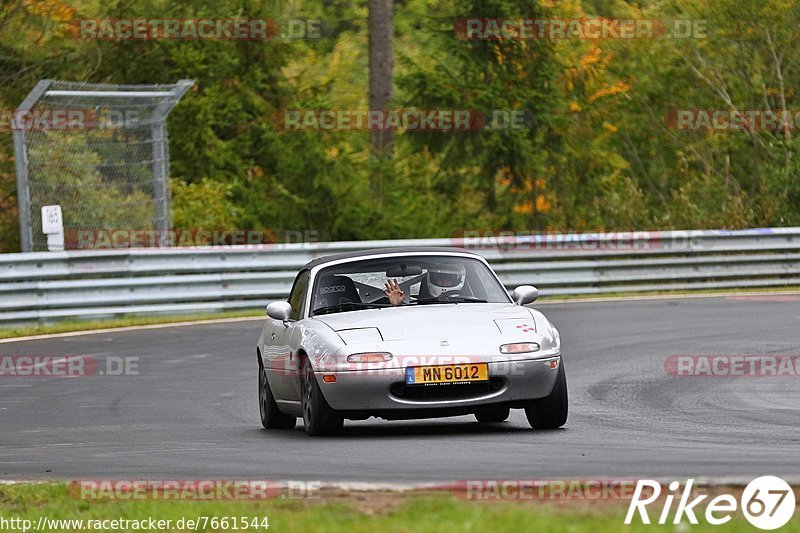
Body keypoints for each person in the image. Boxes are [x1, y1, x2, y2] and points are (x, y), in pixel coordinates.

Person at [383, 264, 466, 305]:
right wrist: (397, 305)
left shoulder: (468, 305)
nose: (444, 282)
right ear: (431, 279)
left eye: (449, 279)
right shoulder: (414, 307)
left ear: (458, 280)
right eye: (440, 279)